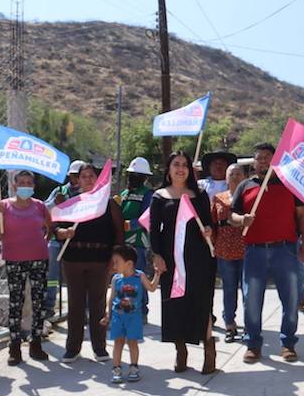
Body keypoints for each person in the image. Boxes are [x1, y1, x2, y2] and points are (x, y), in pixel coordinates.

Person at [230, 143, 304, 364]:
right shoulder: (245, 186)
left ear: (276, 161)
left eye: (268, 157)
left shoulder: (290, 185)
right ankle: (253, 345)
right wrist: (241, 220)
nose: (263, 161)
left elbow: (302, 217)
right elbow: (231, 216)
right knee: (252, 300)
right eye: (259, 158)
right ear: (253, 163)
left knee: (291, 299)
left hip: (285, 249)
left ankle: (288, 343)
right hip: (254, 252)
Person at [150, 151, 217, 374]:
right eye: (176, 164)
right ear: (168, 170)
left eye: (185, 165)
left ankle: (209, 349)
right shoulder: (159, 196)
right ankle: (181, 351)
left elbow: (209, 223)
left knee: (201, 303)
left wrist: (209, 230)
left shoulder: (200, 194)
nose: (181, 168)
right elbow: (154, 231)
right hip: (171, 260)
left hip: (199, 258)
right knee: (175, 304)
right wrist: (157, 256)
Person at [55, 162, 124, 363]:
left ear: (98, 179)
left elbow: (119, 232)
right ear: (78, 180)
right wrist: (63, 232)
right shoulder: (71, 202)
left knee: (98, 304)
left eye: (92, 176)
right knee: (75, 305)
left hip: (100, 260)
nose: (88, 179)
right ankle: (72, 348)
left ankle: (100, 347)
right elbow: (56, 229)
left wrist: (116, 257)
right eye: (84, 176)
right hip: (73, 260)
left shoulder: (109, 204)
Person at [0, 170, 52, 366]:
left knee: (38, 303)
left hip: (39, 259)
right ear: (15, 185)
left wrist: (41, 243)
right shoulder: (4, 206)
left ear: (33, 186)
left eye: (29, 182)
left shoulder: (40, 207)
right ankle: (15, 345)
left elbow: (50, 229)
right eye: (21, 182)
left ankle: (36, 342)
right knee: (16, 303)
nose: (25, 185)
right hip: (14, 260)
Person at [100, 245, 162, 383]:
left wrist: (157, 275)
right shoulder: (116, 279)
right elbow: (111, 298)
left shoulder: (140, 276)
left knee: (132, 342)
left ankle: (134, 367)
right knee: (118, 342)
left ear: (129, 263)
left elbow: (151, 288)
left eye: (117, 262)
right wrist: (108, 314)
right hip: (118, 316)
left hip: (134, 317)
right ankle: (116, 369)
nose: (114, 265)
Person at [211, 162, 246, 342]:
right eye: (231, 174)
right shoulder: (218, 198)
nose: (235, 177)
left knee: (249, 291)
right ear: (225, 178)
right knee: (229, 288)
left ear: (245, 177)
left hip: (247, 250)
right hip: (225, 250)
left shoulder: (249, 197)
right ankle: (229, 324)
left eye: (238, 173)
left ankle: (250, 325)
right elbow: (213, 224)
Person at [44, 159, 84, 318]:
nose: (74, 179)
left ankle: (81, 309)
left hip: (76, 239)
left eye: (77, 176)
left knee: (78, 276)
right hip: (56, 237)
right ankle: (49, 306)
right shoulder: (59, 191)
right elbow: (45, 209)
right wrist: (55, 201)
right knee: (52, 276)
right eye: (73, 176)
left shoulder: (87, 194)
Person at [119, 157, 154, 320]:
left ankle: (142, 311)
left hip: (138, 243)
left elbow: (147, 217)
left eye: (137, 175)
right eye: (131, 174)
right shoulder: (124, 194)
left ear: (144, 178)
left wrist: (129, 225)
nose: (132, 178)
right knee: (124, 278)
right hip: (123, 243)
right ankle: (127, 307)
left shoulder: (148, 194)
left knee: (138, 277)